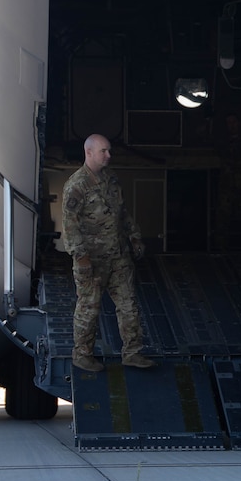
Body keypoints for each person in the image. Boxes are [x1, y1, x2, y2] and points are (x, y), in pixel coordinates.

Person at [62, 134, 156, 371]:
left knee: (128, 305)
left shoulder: (111, 179)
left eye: (109, 151)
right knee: (89, 307)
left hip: (118, 256)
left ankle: (132, 353)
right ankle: (82, 354)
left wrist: (134, 237)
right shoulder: (77, 185)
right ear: (89, 152)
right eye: (104, 151)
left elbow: (122, 213)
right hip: (92, 260)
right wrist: (81, 258)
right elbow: (70, 226)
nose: (108, 155)